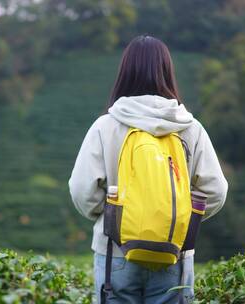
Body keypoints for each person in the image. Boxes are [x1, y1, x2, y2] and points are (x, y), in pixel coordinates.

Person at [68, 35, 228, 304]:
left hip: (114, 255)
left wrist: (115, 218)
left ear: (125, 72)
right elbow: (216, 191)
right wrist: (175, 218)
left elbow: (82, 191)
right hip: (174, 254)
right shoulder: (190, 128)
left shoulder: (105, 126)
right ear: (167, 72)